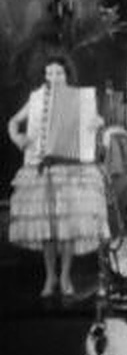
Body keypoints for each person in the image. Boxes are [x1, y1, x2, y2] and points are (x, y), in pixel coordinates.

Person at [7, 56, 108, 297]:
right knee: (47, 226)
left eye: (59, 74)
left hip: (72, 170)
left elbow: (95, 124)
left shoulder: (81, 99)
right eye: (50, 74)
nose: (54, 78)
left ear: (67, 75)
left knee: (68, 225)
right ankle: (50, 276)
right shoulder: (37, 98)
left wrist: (99, 122)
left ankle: (65, 276)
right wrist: (18, 138)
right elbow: (13, 122)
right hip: (42, 167)